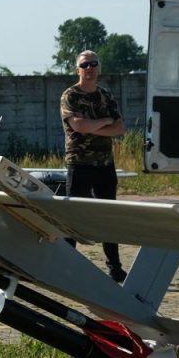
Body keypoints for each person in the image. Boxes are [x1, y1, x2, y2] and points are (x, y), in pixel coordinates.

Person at [60, 50, 128, 282]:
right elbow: (78, 126)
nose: (89, 68)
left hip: (104, 165)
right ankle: (65, 267)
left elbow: (119, 129)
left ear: (99, 68)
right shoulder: (70, 96)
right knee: (74, 216)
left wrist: (95, 125)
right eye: (84, 65)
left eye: (93, 64)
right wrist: (105, 121)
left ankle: (115, 267)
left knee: (108, 216)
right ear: (78, 69)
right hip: (79, 164)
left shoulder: (105, 96)